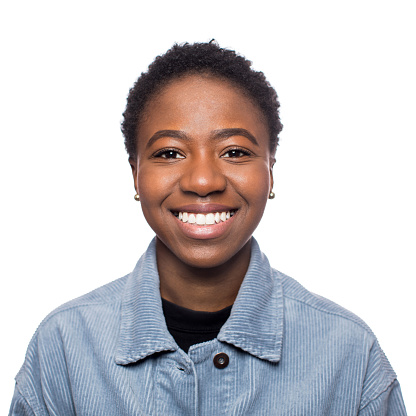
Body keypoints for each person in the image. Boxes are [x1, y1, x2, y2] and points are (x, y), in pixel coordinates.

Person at [9, 41, 407, 415]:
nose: (203, 181)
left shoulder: (350, 353)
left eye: (235, 152)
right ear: (135, 175)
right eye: (169, 153)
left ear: (270, 170)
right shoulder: (63, 345)